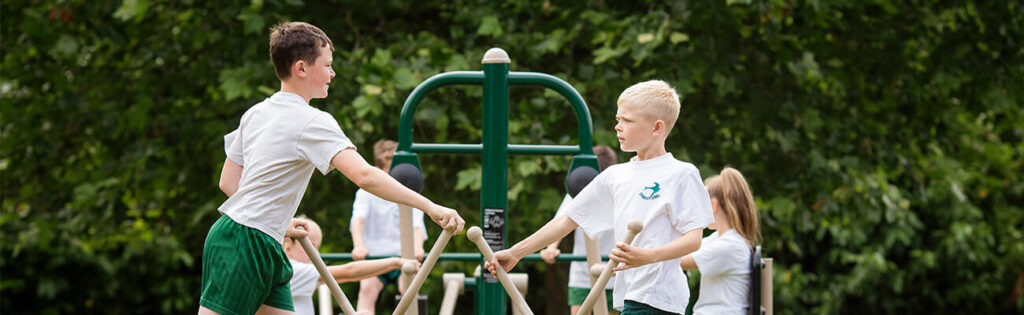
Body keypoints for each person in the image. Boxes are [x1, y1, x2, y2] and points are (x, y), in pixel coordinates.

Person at [200, 21, 464, 315]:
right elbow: (365, 175)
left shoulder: (256, 113)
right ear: (301, 69)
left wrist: (278, 222)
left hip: (258, 238)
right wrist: (430, 207)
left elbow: (228, 182)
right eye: (327, 65)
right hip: (246, 241)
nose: (332, 73)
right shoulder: (313, 121)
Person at [486, 80, 714, 314]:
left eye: (627, 120)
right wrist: (515, 253)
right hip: (629, 295)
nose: (618, 127)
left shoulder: (681, 174)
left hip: (659, 296)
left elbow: (694, 239)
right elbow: (567, 220)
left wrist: (648, 256)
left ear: (656, 128)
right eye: (618, 120)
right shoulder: (615, 176)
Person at [539, 145, 620, 314]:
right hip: (582, 272)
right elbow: (562, 221)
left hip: (614, 271)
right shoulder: (579, 191)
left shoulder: (619, 190)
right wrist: (551, 247)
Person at [350, 139, 428, 313]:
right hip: (375, 256)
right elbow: (358, 220)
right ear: (379, 170)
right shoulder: (366, 193)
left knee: (409, 291)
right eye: (392, 171)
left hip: (404, 255)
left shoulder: (409, 191)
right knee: (367, 290)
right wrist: (359, 246)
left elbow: (417, 226)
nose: (398, 177)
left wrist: (418, 247)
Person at [284, 216, 420, 315]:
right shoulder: (290, 271)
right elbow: (349, 271)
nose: (316, 254)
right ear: (287, 245)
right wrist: (394, 262)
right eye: (310, 246)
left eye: (317, 247)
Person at [680, 167, 760, 315]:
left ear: (713, 205)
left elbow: (675, 260)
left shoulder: (730, 246)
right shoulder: (720, 238)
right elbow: (683, 249)